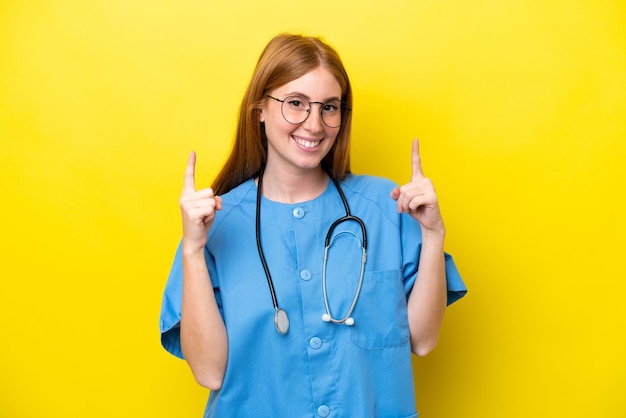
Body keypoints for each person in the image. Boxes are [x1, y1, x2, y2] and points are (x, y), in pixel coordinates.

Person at [160, 33, 467, 418]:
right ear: (260, 109)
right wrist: (192, 250)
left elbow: (422, 340)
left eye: (329, 107)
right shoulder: (213, 225)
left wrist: (434, 234)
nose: (315, 124)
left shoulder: (387, 208)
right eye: (296, 104)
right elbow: (208, 372)